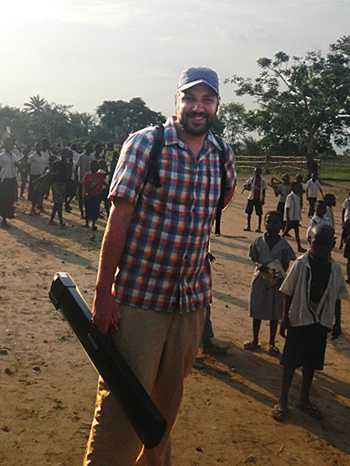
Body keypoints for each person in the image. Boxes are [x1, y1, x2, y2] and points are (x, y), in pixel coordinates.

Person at [83, 66, 236, 466]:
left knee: (168, 400)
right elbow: (118, 222)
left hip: (190, 303)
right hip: (139, 299)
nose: (197, 107)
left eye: (206, 99)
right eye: (190, 98)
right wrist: (103, 295)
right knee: (123, 398)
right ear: (177, 101)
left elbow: (221, 201)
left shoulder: (222, 154)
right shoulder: (146, 145)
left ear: (217, 105)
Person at [272, 224, 348, 422]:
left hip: (321, 322)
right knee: (289, 363)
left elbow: (338, 297)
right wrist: (284, 318)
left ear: (332, 244)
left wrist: (337, 323)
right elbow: (287, 292)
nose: (321, 248)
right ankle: (282, 400)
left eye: (325, 245)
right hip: (299, 320)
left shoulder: (335, 270)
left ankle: (304, 399)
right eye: (317, 244)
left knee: (311, 364)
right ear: (310, 243)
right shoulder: (300, 263)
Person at [244, 211, 295, 354]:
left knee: (274, 313)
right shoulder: (258, 241)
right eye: (268, 221)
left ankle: (272, 343)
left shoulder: (284, 244)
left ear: (281, 225)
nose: (272, 225)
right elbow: (253, 257)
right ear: (264, 223)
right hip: (260, 280)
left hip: (276, 282)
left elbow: (286, 263)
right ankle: (255, 339)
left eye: (275, 222)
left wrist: (276, 274)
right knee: (257, 311)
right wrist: (261, 267)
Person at [0, 138, 21, 228]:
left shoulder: (13, 155)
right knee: (4, 199)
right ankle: (3, 218)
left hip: (13, 178)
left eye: (12, 144)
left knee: (12, 198)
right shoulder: (1, 156)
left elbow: (17, 163)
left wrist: (19, 164)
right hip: (4, 180)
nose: (11, 146)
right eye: (9, 144)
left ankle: (8, 214)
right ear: (5, 145)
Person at [82, 160, 107, 231]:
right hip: (89, 195)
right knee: (88, 210)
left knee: (95, 210)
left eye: (95, 166)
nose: (94, 168)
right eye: (92, 166)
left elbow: (105, 183)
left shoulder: (100, 175)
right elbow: (85, 185)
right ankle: (87, 223)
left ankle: (93, 224)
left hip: (96, 196)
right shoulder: (88, 175)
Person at [282, 182, 306, 253]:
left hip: (295, 218)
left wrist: (299, 218)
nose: (298, 188)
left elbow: (298, 208)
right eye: (297, 187)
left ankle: (299, 247)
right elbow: (287, 208)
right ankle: (277, 244)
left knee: (296, 233)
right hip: (291, 219)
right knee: (285, 233)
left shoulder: (297, 196)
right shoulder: (290, 196)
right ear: (293, 188)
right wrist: (288, 218)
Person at [48, 151, 70, 227]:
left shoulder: (61, 163)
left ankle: (52, 220)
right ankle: (60, 221)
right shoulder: (59, 164)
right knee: (58, 203)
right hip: (58, 184)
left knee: (57, 203)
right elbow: (52, 173)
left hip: (60, 184)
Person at [243, 166, 266, 233]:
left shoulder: (262, 181)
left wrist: (263, 199)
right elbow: (246, 185)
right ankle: (248, 226)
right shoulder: (251, 179)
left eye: (258, 172)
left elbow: (264, 190)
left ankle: (259, 227)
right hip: (251, 197)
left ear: (260, 173)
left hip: (258, 198)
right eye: (255, 172)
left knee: (259, 213)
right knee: (249, 212)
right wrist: (247, 187)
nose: (256, 173)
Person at [77, 142, 95, 218]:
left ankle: (88, 213)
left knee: (87, 198)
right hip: (81, 180)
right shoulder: (81, 157)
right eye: (90, 147)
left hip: (89, 181)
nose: (91, 149)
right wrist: (76, 178)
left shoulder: (92, 157)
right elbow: (76, 167)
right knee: (81, 197)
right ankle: (82, 213)